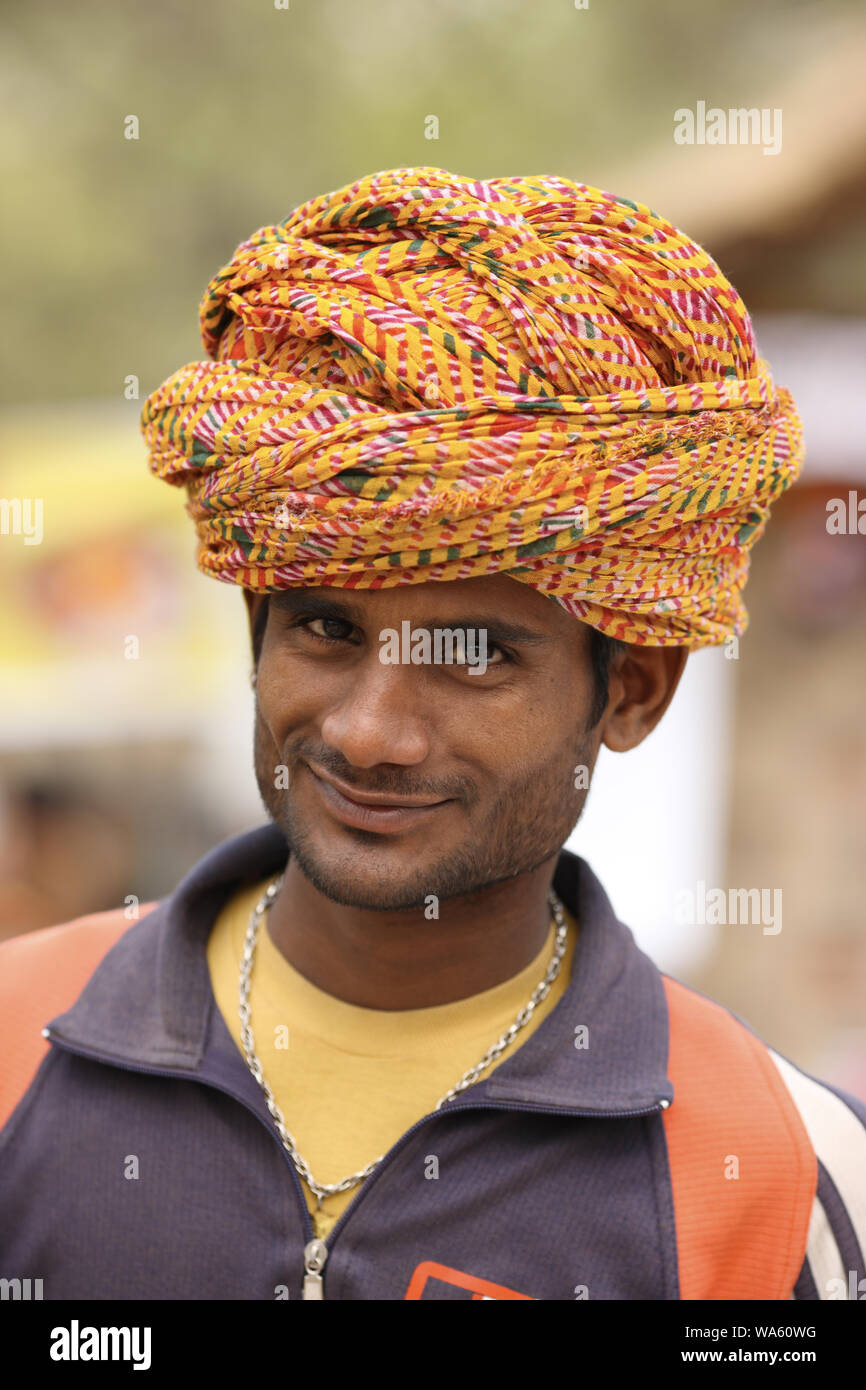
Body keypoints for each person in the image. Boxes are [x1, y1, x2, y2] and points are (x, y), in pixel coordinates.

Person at [1, 168, 863, 1302]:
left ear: (632, 691)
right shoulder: (18, 1049)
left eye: (474, 656)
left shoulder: (772, 1171)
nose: (368, 732)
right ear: (257, 631)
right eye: (324, 628)